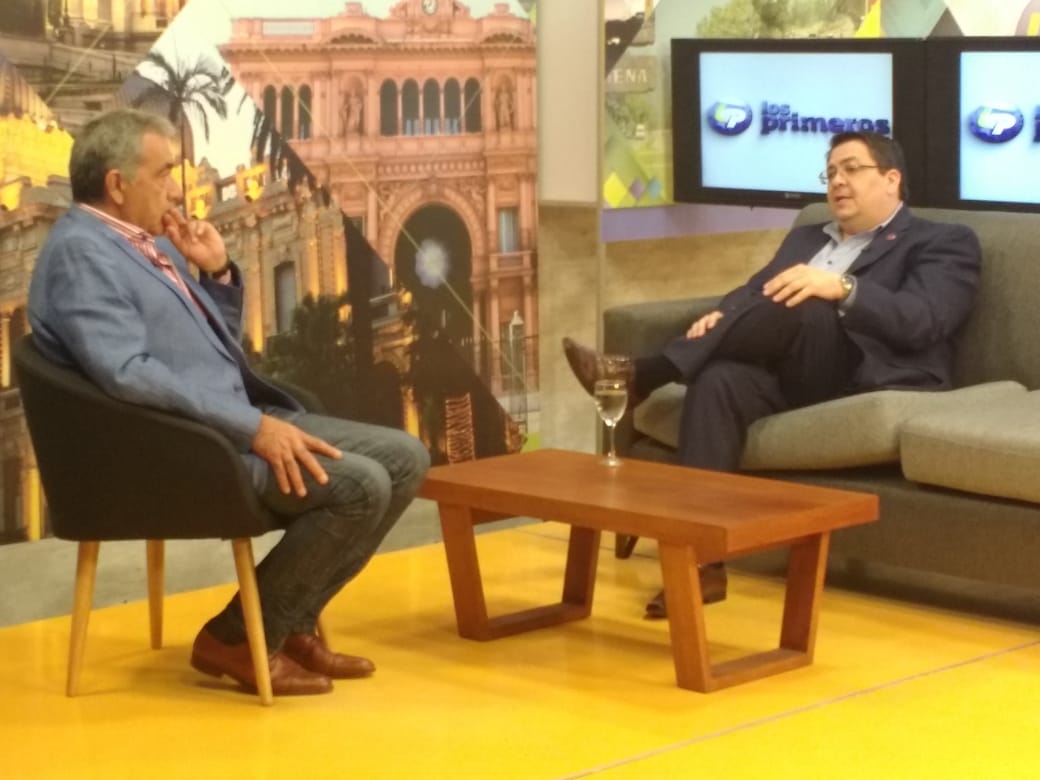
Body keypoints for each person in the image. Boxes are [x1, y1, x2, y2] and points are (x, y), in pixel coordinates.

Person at [28, 108, 431, 695]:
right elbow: (127, 374)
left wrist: (215, 273)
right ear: (117, 184)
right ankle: (237, 637)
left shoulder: (146, 244)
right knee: (362, 486)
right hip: (183, 450)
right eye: (164, 173)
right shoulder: (80, 252)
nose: (176, 188)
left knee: (406, 458)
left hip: (227, 425)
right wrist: (253, 428)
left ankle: (287, 624)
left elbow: (206, 350)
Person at [563, 131, 981, 619]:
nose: (837, 182)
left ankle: (647, 373)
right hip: (792, 370)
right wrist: (721, 316)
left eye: (851, 169)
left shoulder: (942, 240)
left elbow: (925, 319)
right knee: (718, 380)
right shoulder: (808, 236)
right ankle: (699, 567)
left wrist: (842, 287)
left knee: (806, 302)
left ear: (892, 180)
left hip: (862, 370)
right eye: (831, 172)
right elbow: (752, 292)